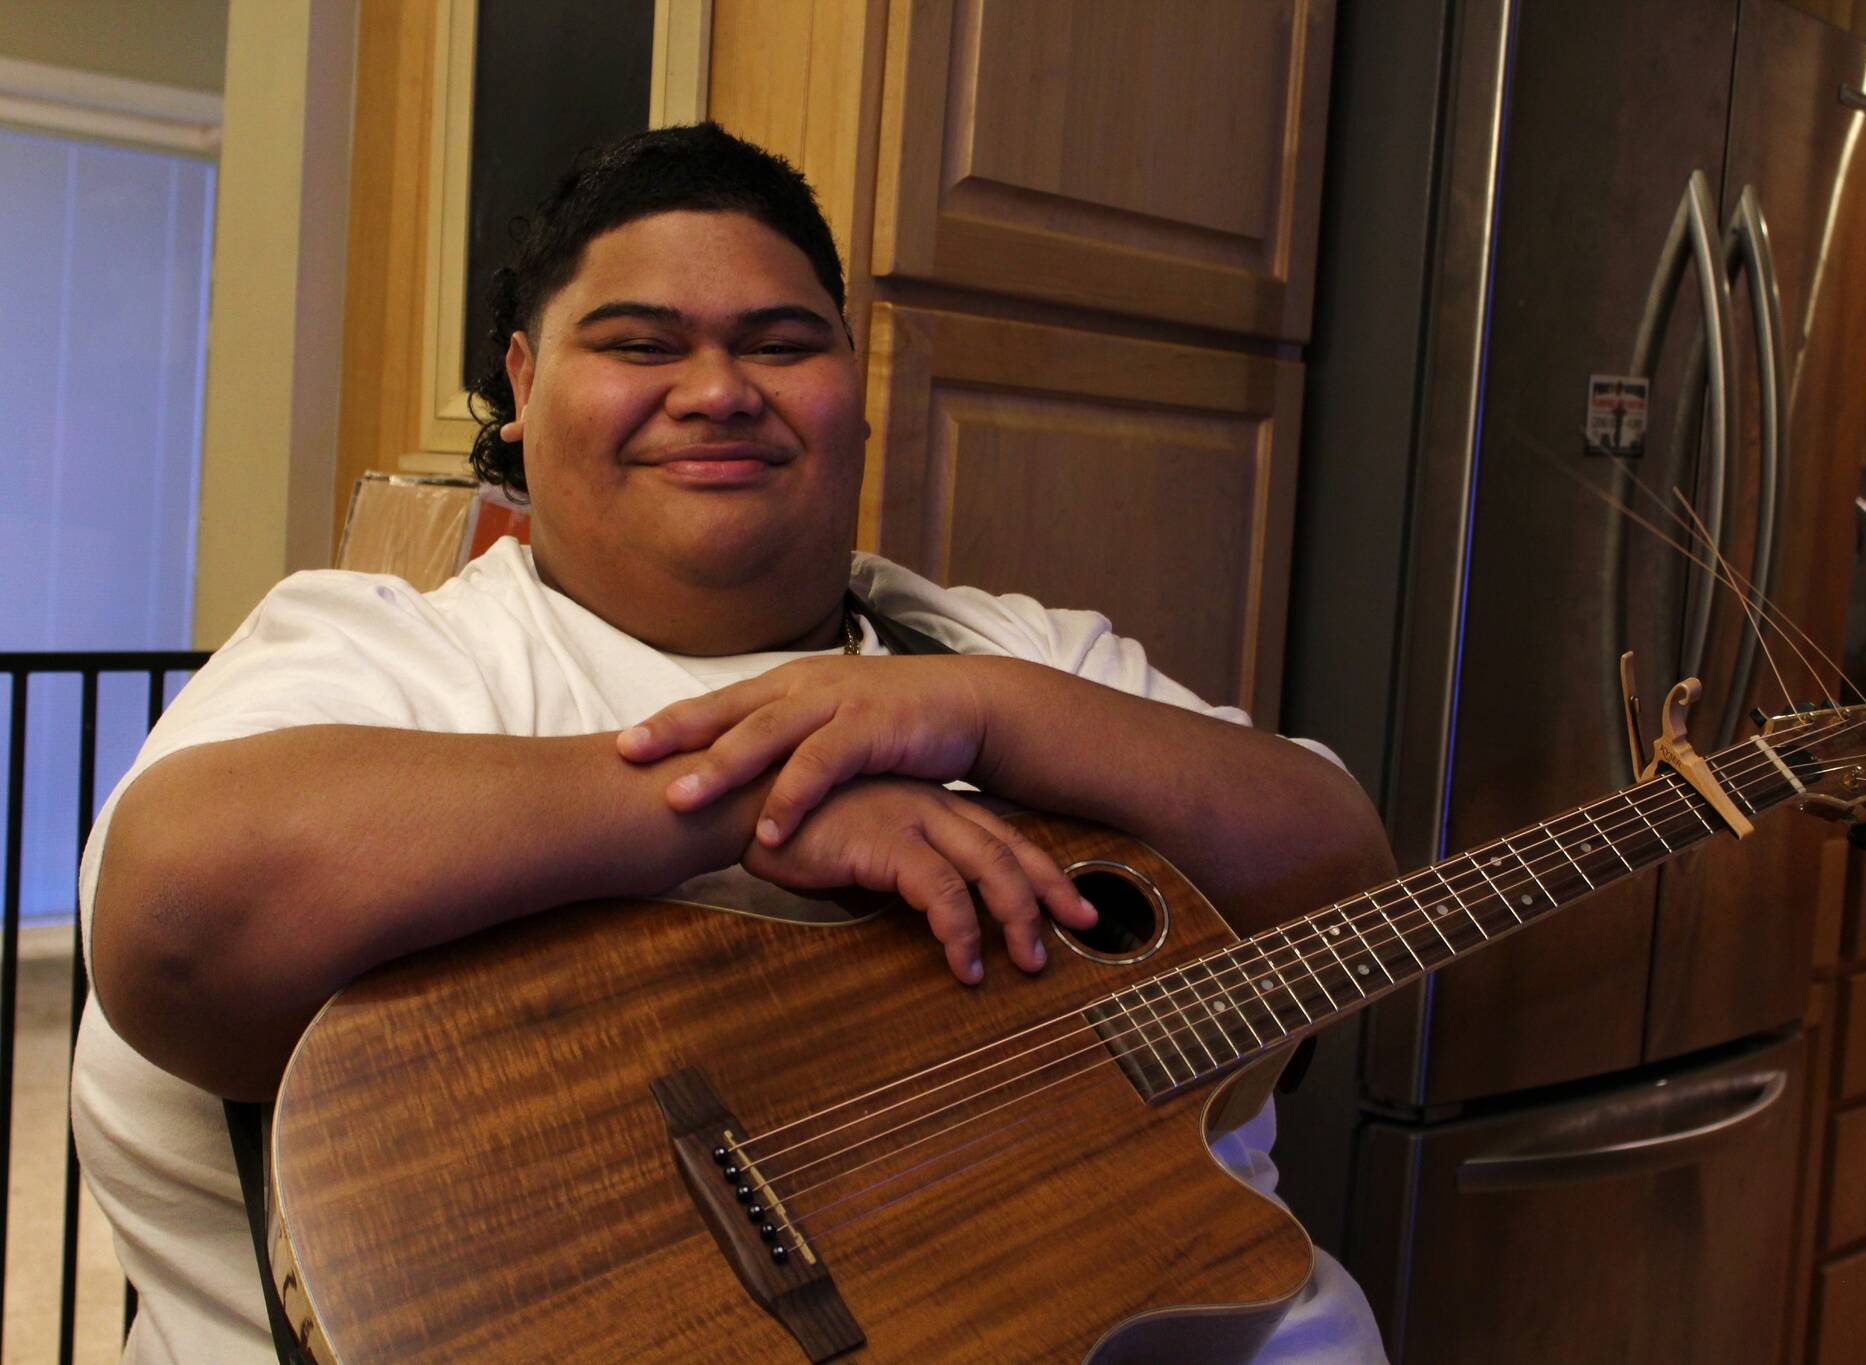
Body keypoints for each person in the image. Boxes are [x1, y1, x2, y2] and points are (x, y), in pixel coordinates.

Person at [74, 122, 1392, 1363]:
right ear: (524, 388)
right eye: (641, 342)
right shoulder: (384, 656)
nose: (716, 391)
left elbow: (1338, 877)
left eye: (781, 343)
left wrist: (986, 713)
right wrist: (751, 806)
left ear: (853, 390)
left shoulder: (1006, 646)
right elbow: (182, 912)